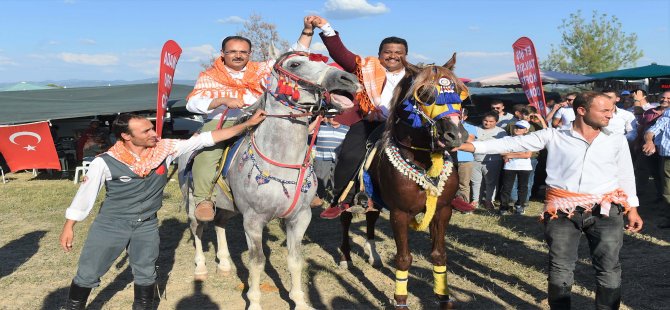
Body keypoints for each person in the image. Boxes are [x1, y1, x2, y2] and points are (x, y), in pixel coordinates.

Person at [58, 111, 267, 309]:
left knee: (146, 274)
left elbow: (206, 139)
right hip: (112, 224)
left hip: (147, 225)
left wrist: (247, 124)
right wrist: (70, 226)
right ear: (126, 136)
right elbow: (85, 195)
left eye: (152, 128)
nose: (154, 134)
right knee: (88, 273)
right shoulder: (104, 162)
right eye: (146, 131)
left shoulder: (164, 150)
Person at [458, 91, 643, 309]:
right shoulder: (553, 135)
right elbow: (509, 144)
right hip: (562, 212)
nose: (610, 116)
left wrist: (633, 208)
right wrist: (466, 146)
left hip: (606, 211)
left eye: (611, 111)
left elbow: (625, 174)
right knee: (560, 267)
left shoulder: (616, 139)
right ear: (582, 111)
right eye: (604, 110)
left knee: (609, 266)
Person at [186, 17, 318, 222]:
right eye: (232, 52)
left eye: (243, 52)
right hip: (224, 122)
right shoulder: (209, 76)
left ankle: (305, 189)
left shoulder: (264, 69)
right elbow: (192, 103)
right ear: (222, 53)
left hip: (262, 119)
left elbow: (294, 56)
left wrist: (307, 30)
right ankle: (203, 198)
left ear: (249, 53)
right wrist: (220, 100)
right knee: (208, 152)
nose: (238, 56)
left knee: (296, 144)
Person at [311, 16, 414, 219]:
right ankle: (344, 199)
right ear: (379, 54)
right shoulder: (365, 68)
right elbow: (341, 55)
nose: (392, 56)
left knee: (441, 146)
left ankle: (450, 194)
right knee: (349, 155)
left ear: (406, 55)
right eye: (388, 52)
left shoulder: (416, 76)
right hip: (371, 123)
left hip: (407, 125)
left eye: (398, 53)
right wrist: (326, 27)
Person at [642, 94, 670, 229]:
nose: (665, 100)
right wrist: (649, 141)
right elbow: (651, 130)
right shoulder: (667, 114)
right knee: (668, 189)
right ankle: (668, 217)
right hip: (668, 157)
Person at [309, 116, 350, 208]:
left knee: (338, 180)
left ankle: (337, 200)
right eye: (331, 116)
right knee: (320, 180)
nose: (334, 118)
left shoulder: (347, 129)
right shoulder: (321, 126)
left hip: (339, 159)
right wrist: (316, 121)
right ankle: (318, 200)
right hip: (322, 157)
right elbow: (307, 130)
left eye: (336, 116)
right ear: (328, 118)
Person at [470, 111, 507, 210]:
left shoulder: (501, 132)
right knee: (475, 182)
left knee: (491, 182)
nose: (487, 123)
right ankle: (475, 200)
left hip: (493, 161)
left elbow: (504, 146)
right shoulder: (475, 129)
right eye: (485, 121)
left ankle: (489, 201)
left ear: (496, 122)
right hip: (475, 160)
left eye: (491, 121)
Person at [499, 120, 533, 215]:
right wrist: (519, 153)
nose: (517, 129)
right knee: (506, 187)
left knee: (523, 187)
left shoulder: (529, 140)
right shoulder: (506, 138)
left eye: (521, 128)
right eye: (516, 127)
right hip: (509, 166)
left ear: (526, 130)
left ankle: (520, 206)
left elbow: (527, 155)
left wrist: (509, 155)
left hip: (525, 167)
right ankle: (504, 207)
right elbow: (501, 152)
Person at [452, 108, 478, 212]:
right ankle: (452, 204)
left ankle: (464, 205)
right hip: (450, 158)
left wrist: (459, 130)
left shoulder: (470, 127)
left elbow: (471, 140)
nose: (458, 118)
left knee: (464, 184)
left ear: (465, 117)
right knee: (451, 183)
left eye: (460, 116)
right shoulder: (448, 126)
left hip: (465, 159)